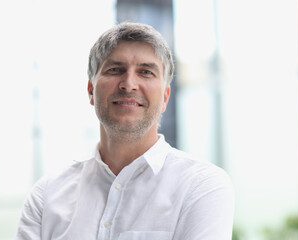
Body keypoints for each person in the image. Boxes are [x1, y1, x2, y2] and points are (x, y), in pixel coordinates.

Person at [16, 22, 234, 240]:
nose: (129, 84)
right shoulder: (47, 196)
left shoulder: (201, 187)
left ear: (165, 97)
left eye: (146, 72)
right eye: (115, 70)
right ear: (91, 90)